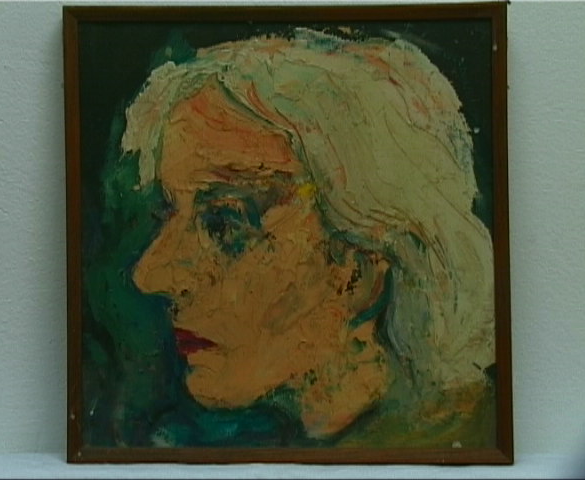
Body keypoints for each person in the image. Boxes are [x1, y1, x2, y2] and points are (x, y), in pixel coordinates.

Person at [119, 28, 495, 444]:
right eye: (167, 215)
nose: (150, 274)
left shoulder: (459, 446)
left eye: (223, 225)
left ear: (358, 275)